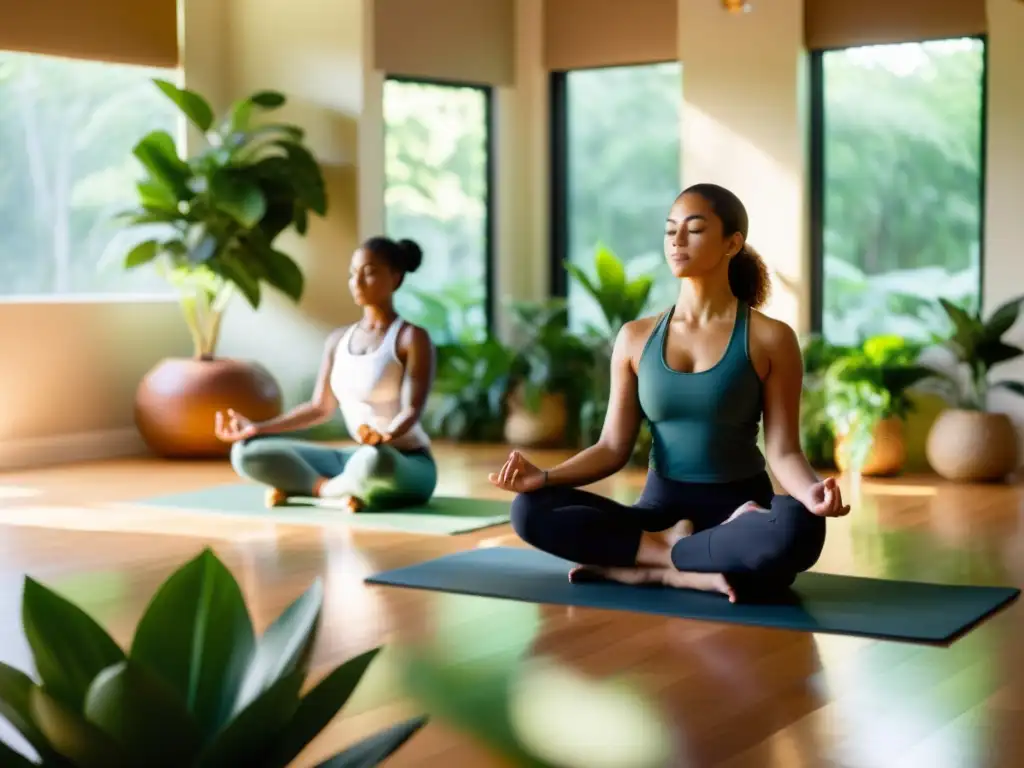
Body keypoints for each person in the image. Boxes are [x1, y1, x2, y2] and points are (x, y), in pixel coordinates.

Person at [488, 183, 850, 603]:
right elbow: (611, 447)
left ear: (733, 243)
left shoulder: (770, 339)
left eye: (694, 230)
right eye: (670, 230)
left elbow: (784, 450)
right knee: (528, 510)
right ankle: (678, 568)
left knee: (798, 529)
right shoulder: (635, 338)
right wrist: (544, 477)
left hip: (739, 513)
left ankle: (641, 567)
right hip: (658, 515)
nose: (676, 241)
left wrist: (812, 495)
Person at [215, 236, 438, 514]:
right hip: (356, 455)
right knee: (246, 452)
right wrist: (258, 428)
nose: (357, 282)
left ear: (396, 277)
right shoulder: (337, 340)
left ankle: (311, 489)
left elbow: (412, 410)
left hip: (403, 461)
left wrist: (384, 437)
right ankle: (334, 491)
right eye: (352, 274)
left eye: (369, 273)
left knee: (374, 462)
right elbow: (319, 408)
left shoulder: (411, 338)